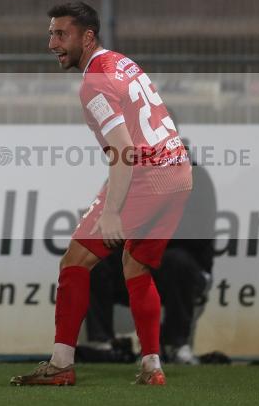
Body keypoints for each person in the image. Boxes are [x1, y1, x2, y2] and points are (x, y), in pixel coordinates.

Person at [10, 1, 192, 386]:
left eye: (62, 35)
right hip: (178, 171)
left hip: (147, 173)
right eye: (51, 34)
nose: (52, 44)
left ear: (87, 37)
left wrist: (112, 211)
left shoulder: (94, 83)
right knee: (136, 267)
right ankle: (152, 366)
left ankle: (61, 364)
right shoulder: (123, 63)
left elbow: (124, 150)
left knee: (74, 263)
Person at [83, 155, 216, 365]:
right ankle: (103, 344)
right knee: (95, 258)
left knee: (176, 261)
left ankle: (175, 344)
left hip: (183, 269)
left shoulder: (194, 177)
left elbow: (195, 236)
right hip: (136, 262)